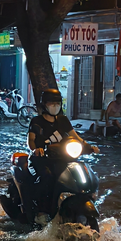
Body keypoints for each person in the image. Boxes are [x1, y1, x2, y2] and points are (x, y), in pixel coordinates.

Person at [27, 89, 99, 225]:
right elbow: (31, 140)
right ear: (44, 104)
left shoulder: (63, 120)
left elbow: (75, 137)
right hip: (43, 158)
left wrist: (89, 146)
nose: (54, 106)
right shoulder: (37, 121)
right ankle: (42, 211)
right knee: (47, 177)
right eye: (51, 103)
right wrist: (36, 149)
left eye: (57, 103)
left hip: (63, 157)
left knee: (79, 173)